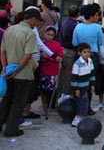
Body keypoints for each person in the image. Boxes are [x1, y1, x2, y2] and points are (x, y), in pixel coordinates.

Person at [0, 8, 40, 137]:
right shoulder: (30, 33)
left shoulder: (10, 29)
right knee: (18, 103)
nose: (37, 24)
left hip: (8, 71)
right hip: (23, 74)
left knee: (6, 100)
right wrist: (17, 70)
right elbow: (28, 55)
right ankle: (11, 129)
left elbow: (3, 50)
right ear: (33, 19)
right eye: (37, 21)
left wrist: (5, 67)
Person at [72, 4, 104, 115]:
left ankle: (78, 105)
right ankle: (87, 106)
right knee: (90, 81)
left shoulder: (78, 26)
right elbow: (100, 42)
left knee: (79, 79)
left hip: (79, 55)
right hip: (92, 55)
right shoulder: (97, 27)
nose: (97, 18)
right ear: (91, 16)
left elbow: (74, 43)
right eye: (96, 15)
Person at [38, 26, 63, 116]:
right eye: (48, 34)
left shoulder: (56, 45)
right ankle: (44, 106)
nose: (49, 36)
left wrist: (47, 57)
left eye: (52, 35)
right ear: (44, 34)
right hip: (43, 70)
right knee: (42, 90)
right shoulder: (41, 44)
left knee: (53, 90)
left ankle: (54, 105)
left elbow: (60, 58)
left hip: (53, 71)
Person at [57, 5, 79, 105]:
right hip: (70, 50)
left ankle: (60, 94)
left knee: (63, 74)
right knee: (68, 75)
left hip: (64, 50)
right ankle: (65, 96)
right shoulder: (74, 25)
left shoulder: (66, 22)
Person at [71, 42, 95, 127]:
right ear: (79, 53)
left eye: (88, 52)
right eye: (85, 52)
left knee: (85, 103)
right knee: (81, 103)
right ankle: (77, 118)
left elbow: (92, 74)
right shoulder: (77, 64)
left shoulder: (90, 61)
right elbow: (74, 78)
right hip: (80, 88)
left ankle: (83, 117)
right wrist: (75, 89)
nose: (87, 54)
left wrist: (92, 85)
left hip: (86, 86)